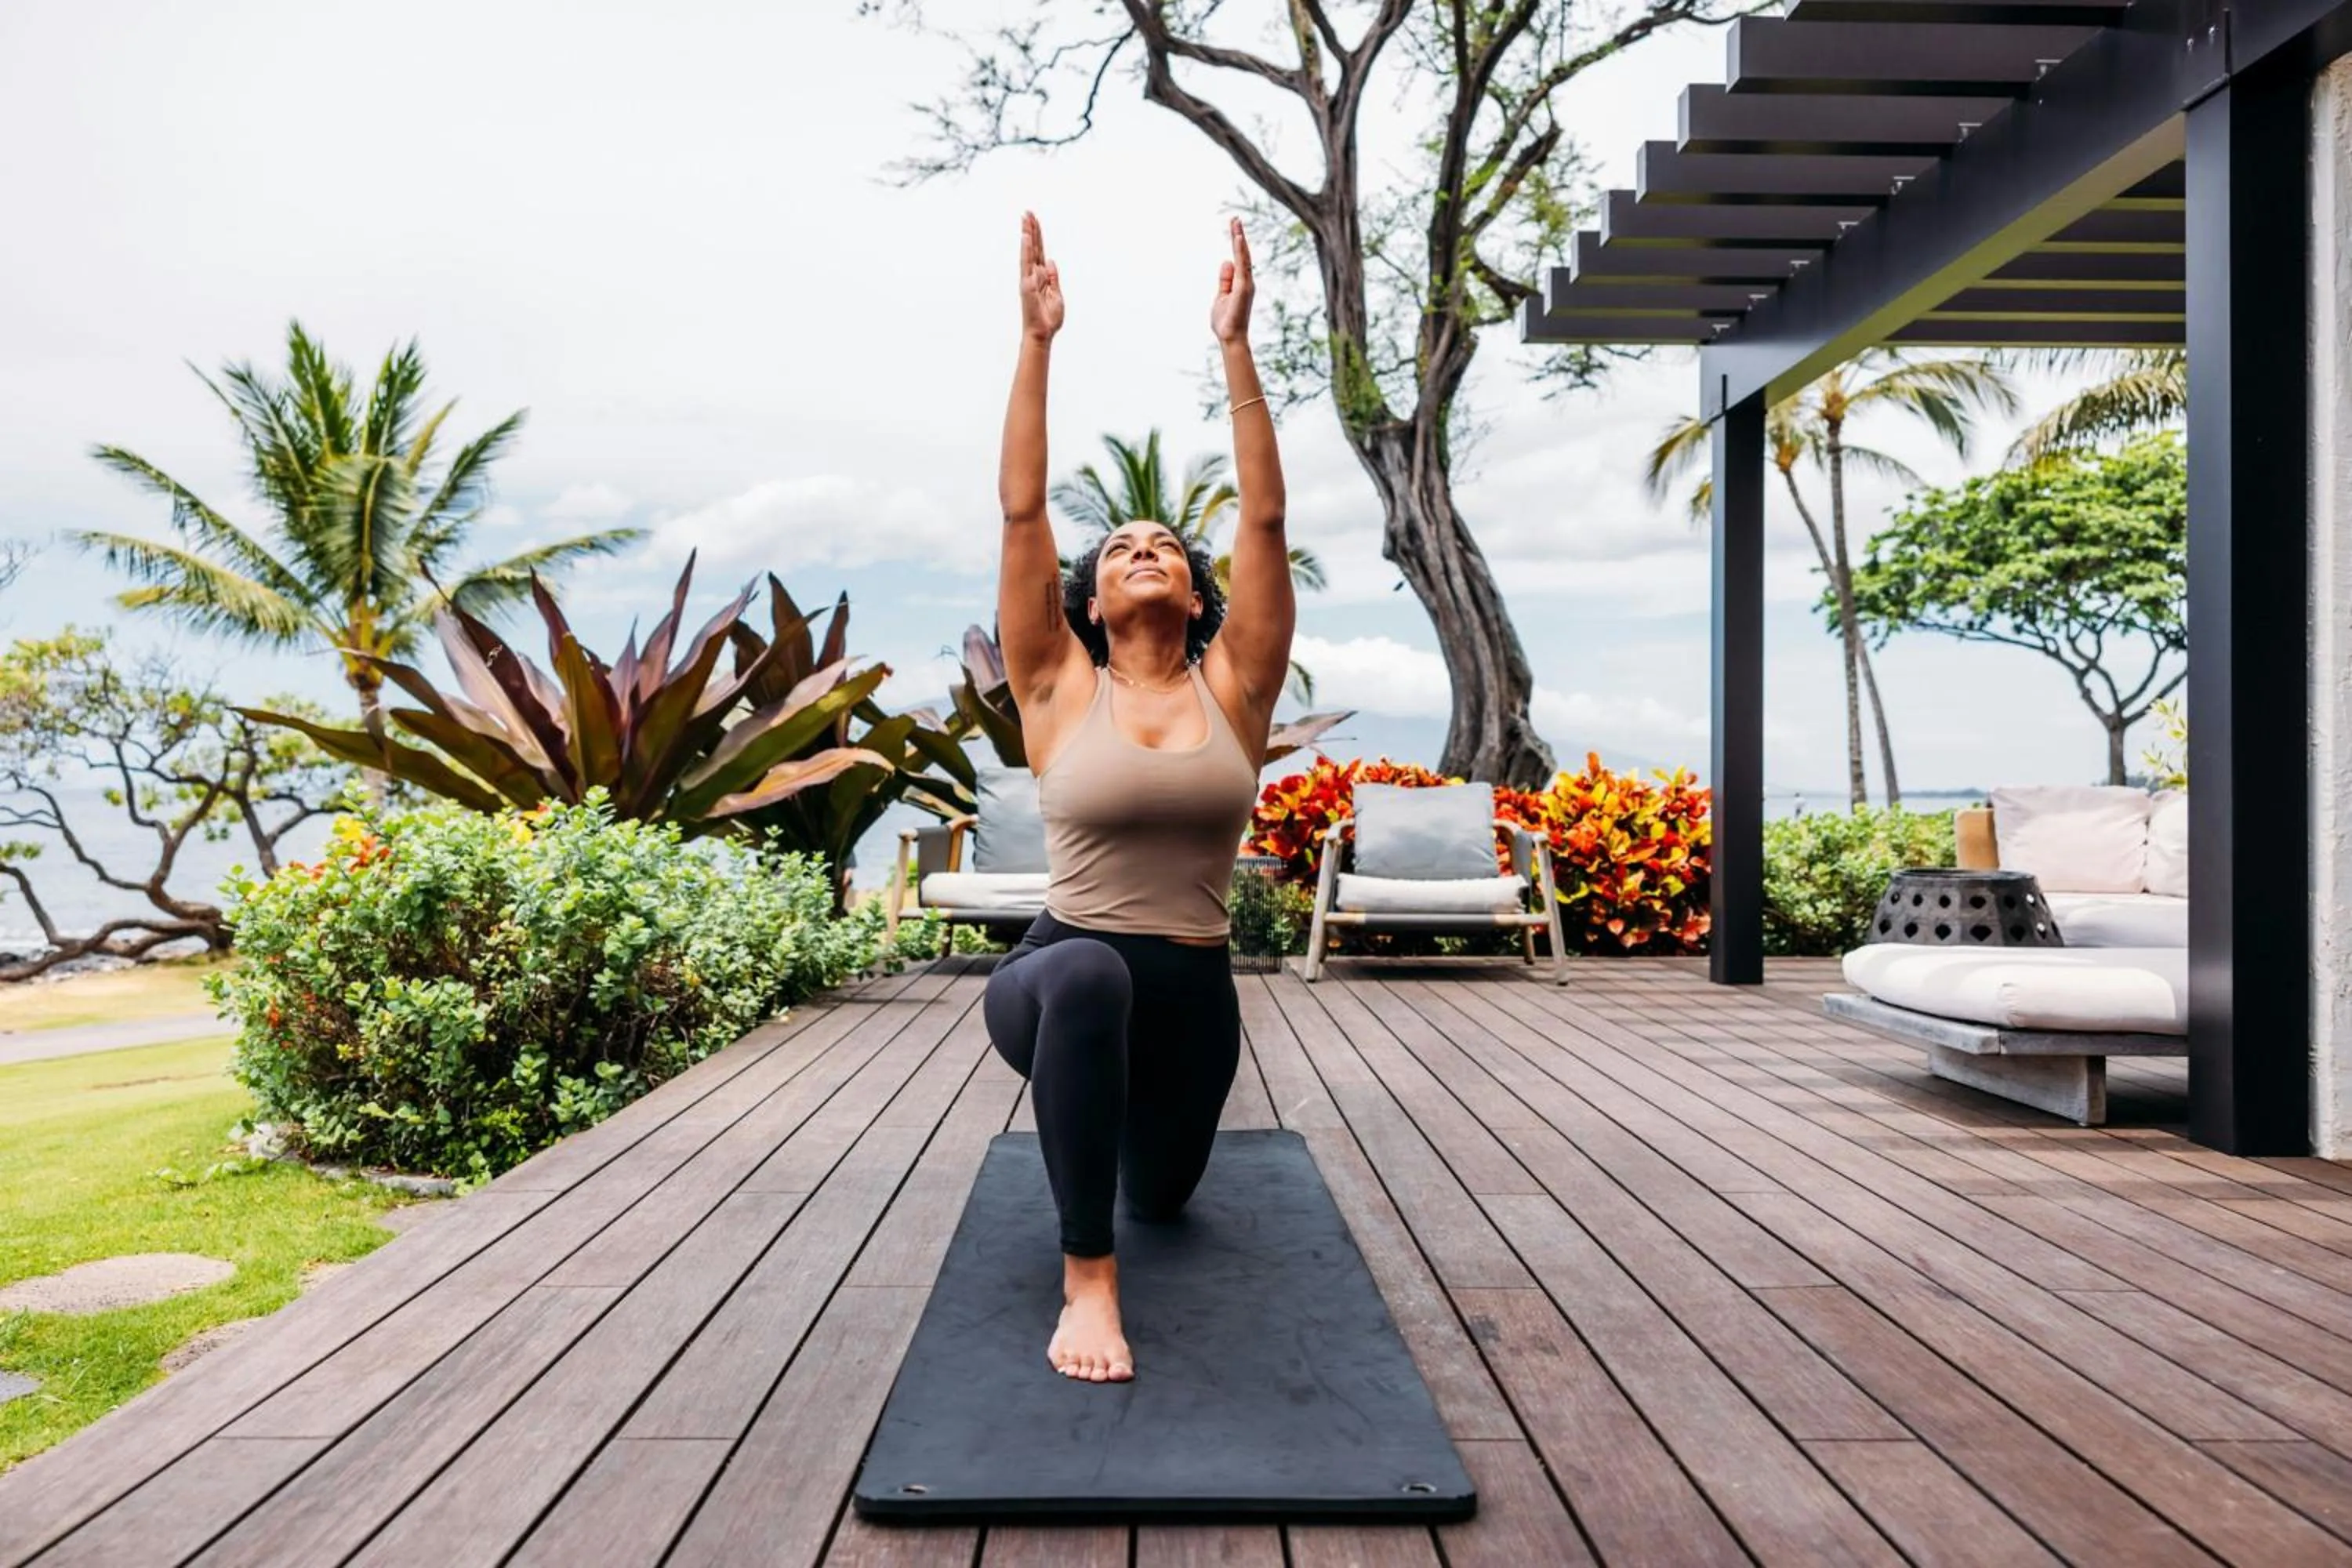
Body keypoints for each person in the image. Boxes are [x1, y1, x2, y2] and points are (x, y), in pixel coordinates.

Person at [986, 211, 1294, 1384]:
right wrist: (1037, 340)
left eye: (1165, 540)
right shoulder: (1059, 687)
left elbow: (1263, 519)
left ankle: (1111, 1143)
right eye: (1119, 546)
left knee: (1161, 1193)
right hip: (1057, 969)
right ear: (1094, 599)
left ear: (1198, 593)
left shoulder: (1240, 687)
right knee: (1084, 971)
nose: (1144, 545)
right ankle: (1087, 1281)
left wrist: (1234, 345)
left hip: (1194, 1004)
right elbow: (1022, 515)